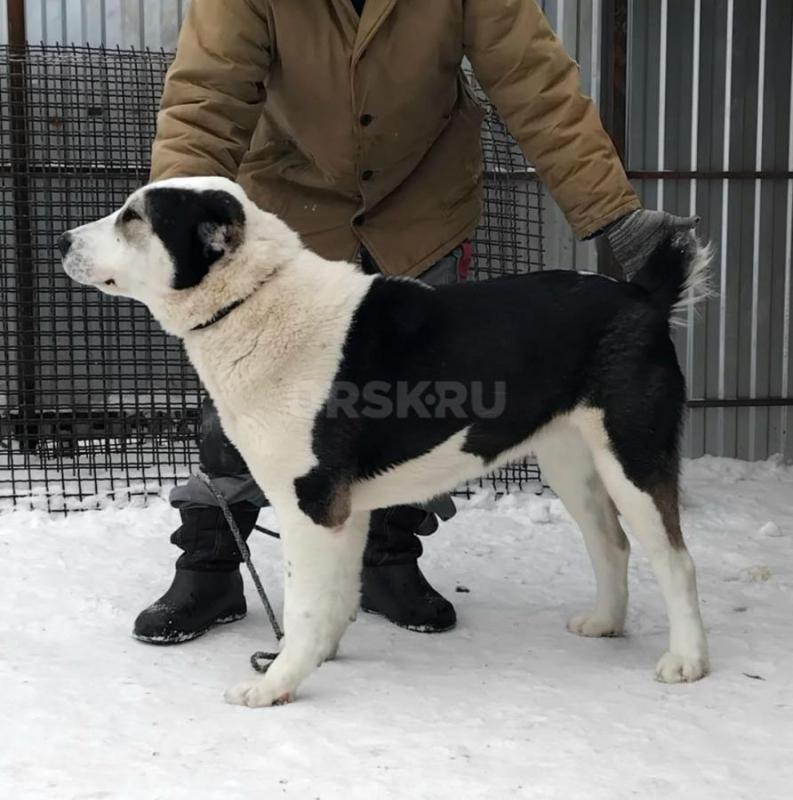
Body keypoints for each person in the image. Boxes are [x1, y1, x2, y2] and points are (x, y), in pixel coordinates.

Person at [133, 0, 696, 644]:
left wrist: (610, 211)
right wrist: (172, 228)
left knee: (420, 402)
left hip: (420, 211)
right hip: (295, 212)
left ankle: (387, 560)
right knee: (249, 408)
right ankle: (211, 561)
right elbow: (209, 94)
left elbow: (534, 80)